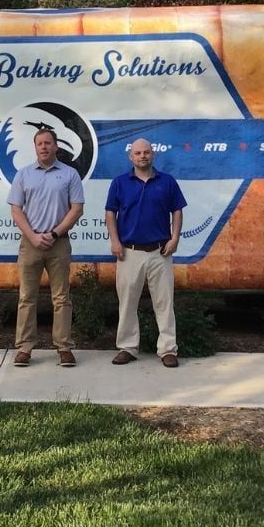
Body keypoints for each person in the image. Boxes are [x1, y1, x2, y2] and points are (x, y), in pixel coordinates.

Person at [105, 138, 186, 368]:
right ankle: (127, 348)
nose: (143, 156)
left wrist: (175, 237)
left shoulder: (167, 182)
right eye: (138, 153)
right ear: (131, 157)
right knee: (127, 303)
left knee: (164, 303)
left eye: (147, 152)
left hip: (160, 252)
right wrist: (115, 241)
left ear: (153, 155)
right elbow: (110, 213)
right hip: (129, 253)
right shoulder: (120, 183)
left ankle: (168, 350)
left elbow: (177, 210)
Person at [7, 128, 84, 367]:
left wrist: (53, 233)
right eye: (40, 144)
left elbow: (76, 209)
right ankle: (24, 349)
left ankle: (64, 348)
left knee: (61, 298)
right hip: (30, 244)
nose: (44, 147)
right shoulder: (23, 175)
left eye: (48, 143)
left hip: (58, 244)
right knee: (26, 297)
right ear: (35, 147)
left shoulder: (70, 174)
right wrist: (33, 236)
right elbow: (16, 210)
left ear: (56, 146)